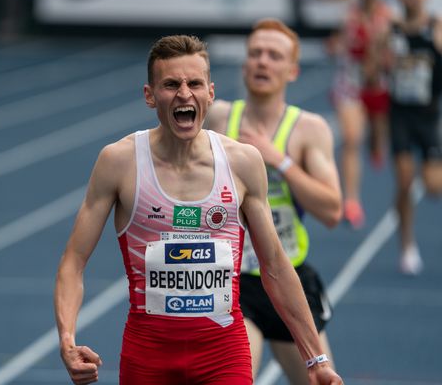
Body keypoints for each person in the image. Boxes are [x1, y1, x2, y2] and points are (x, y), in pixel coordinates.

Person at [54, 34, 344, 385]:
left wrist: (316, 357)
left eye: (194, 83)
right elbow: (74, 261)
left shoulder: (242, 162)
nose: (184, 94)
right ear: (149, 95)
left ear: (211, 93)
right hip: (148, 355)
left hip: (223, 352)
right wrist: (67, 340)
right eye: (171, 84)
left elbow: (276, 267)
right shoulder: (119, 162)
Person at [206, 19, 343, 384]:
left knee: (319, 379)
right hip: (232, 281)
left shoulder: (308, 129)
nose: (263, 62)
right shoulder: (219, 118)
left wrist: (277, 159)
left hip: (287, 278)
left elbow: (332, 210)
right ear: (245, 64)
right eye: (255, 54)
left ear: (292, 70)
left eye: (274, 55)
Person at [388, 0, 442, 275]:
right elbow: (373, 73)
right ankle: (407, 244)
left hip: (429, 115)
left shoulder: (436, 27)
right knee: (405, 181)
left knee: (434, 187)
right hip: (400, 116)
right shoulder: (391, 30)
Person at [329, 0, 393, 229]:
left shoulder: (388, 18)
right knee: (352, 138)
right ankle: (351, 201)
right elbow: (336, 44)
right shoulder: (348, 16)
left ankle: (376, 144)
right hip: (350, 86)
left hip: (378, 86)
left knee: (376, 143)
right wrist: (338, 45)